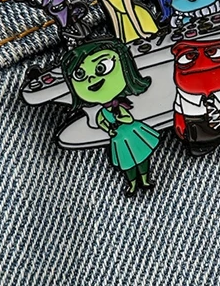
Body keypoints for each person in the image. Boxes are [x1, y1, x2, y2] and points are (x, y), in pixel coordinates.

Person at [62, 38, 161, 196]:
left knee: (142, 157)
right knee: (127, 163)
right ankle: (132, 185)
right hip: (119, 138)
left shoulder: (120, 105)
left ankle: (145, 180)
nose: (91, 79)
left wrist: (119, 118)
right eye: (79, 74)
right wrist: (109, 129)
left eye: (101, 68)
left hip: (133, 133)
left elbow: (128, 119)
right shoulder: (103, 112)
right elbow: (101, 122)